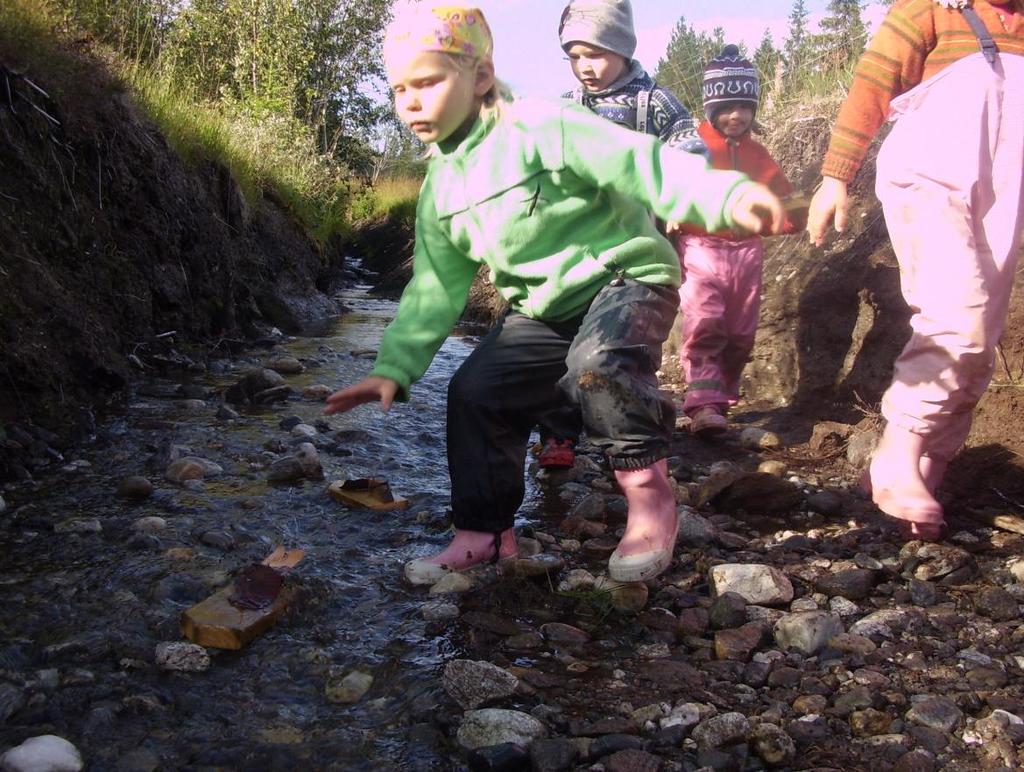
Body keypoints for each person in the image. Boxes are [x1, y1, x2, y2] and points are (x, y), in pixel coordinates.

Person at [325, 5, 784, 585]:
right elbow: (435, 285)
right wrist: (394, 367)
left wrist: (721, 198)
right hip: (544, 308)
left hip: (625, 278)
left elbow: (641, 163)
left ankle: (650, 499)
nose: (411, 101)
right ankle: (486, 534)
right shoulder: (441, 186)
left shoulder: (543, 125)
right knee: (475, 391)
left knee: (599, 364)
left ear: (481, 78)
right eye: (399, 89)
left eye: (429, 82)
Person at [807, 0, 1024, 540]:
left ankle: (928, 471)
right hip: (929, 177)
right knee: (958, 317)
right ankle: (896, 450)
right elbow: (872, 82)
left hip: (1003, 188)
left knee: (982, 342)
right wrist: (836, 177)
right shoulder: (933, 7)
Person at [531, 0, 708, 469]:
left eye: (595, 54)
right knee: (555, 346)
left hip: (638, 255)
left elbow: (690, 150)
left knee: (616, 351)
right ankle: (558, 435)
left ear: (623, 49)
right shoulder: (567, 108)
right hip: (577, 253)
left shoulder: (654, 104)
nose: (585, 67)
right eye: (574, 56)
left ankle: (638, 434)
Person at [674, 45, 803, 437]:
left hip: (747, 252)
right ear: (711, 108)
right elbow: (668, 185)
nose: (736, 115)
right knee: (705, 321)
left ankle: (721, 397)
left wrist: (793, 216)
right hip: (700, 247)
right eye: (727, 107)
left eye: (744, 107)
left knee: (741, 334)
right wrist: (670, 213)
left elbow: (786, 204)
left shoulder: (758, 155)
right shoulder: (693, 147)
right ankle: (703, 405)